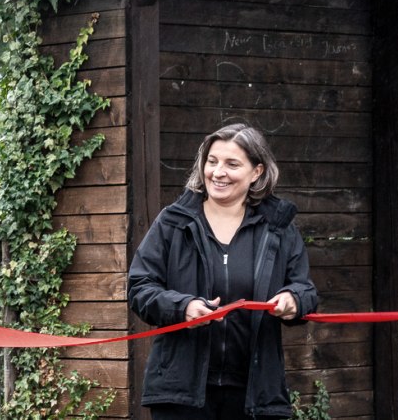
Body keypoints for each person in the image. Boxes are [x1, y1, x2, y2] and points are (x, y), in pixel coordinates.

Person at [127, 123, 319, 419]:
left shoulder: (277, 228)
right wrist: (183, 307)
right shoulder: (173, 222)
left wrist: (293, 300)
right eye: (212, 161)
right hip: (182, 394)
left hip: (255, 394)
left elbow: (305, 290)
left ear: (257, 172)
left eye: (232, 164)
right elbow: (139, 287)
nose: (218, 172)